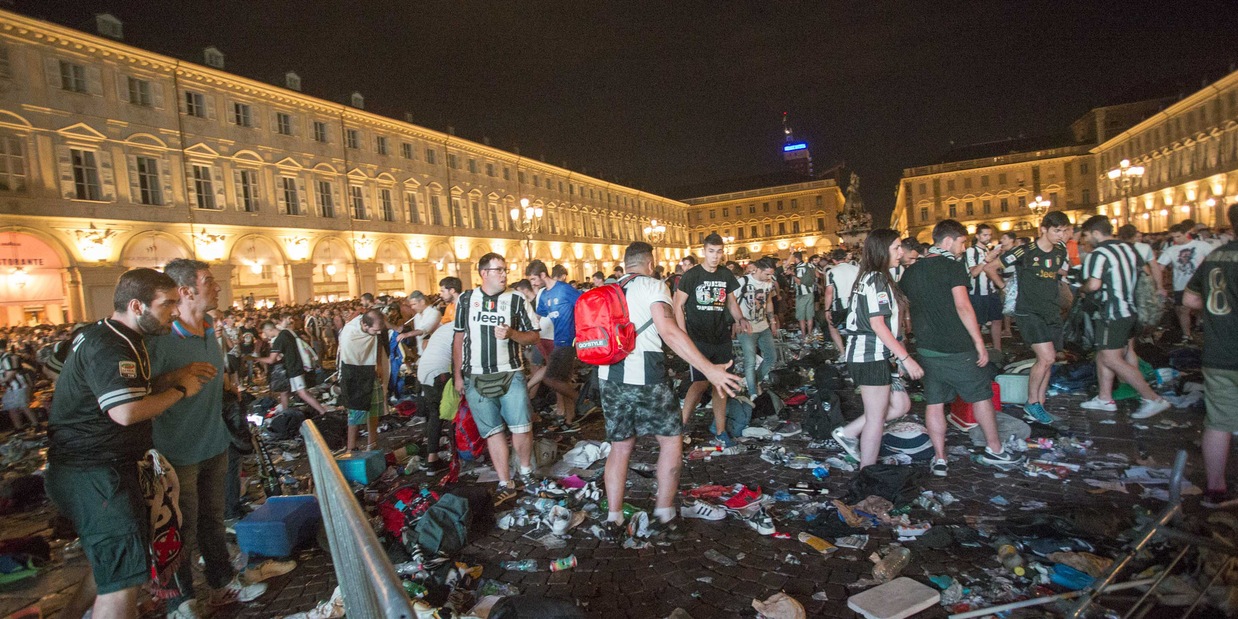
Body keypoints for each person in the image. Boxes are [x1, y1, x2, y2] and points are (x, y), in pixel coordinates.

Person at [46, 268, 216, 619]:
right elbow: (126, 412)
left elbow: (65, 372)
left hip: (93, 470)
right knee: (122, 583)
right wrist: (180, 389)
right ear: (137, 306)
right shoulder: (112, 345)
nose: (176, 309)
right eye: (167, 303)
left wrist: (169, 377)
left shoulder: (103, 334)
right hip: (96, 473)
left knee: (113, 564)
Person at [148, 260, 273, 616]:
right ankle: (181, 600)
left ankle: (221, 584)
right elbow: (139, 391)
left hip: (214, 442)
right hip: (176, 449)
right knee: (179, 530)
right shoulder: (161, 336)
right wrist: (179, 377)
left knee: (213, 522)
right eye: (209, 282)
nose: (217, 287)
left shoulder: (208, 327)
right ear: (186, 291)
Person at [597, 242, 743, 542]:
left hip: (608, 377)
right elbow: (669, 330)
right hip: (647, 375)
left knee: (620, 446)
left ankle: (612, 517)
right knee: (671, 441)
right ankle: (664, 513)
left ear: (626, 264)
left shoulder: (606, 290)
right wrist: (709, 368)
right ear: (650, 263)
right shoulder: (653, 286)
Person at [894, 220, 1022, 476]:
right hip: (958, 347)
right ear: (948, 241)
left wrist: (904, 344)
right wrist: (978, 342)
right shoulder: (952, 267)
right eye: (962, 242)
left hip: (927, 348)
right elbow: (964, 306)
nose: (963, 248)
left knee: (934, 402)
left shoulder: (910, 273)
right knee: (981, 396)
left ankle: (940, 458)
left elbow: (903, 310)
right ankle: (995, 449)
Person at [453, 253, 540, 505]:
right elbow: (458, 339)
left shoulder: (516, 299)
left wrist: (512, 334)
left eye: (505, 269)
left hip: (510, 371)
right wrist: (458, 375)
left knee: (521, 426)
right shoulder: (466, 300)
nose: (504, 274)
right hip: (476, 375)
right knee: (493, 431)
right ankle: (505, 481)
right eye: (499, 270)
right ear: (484, 273)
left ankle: (526, 472)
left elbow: (534, 336)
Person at [833, 230, 924, 469]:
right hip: (869, 354)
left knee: (901, 405)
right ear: (882, 250)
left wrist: (898, 356)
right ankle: (868, 471)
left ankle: (848, 433)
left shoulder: (874, 277)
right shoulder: (876, 279)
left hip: (879, 354)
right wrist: (906, 358)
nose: (900, 252)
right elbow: (878, 324)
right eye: (896, 247)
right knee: (875, 418)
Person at [1077, 216, 1172, 420]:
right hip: (1130, 310)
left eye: (1085, 235)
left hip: (1111, 312)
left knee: (1112, 357)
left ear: (1095, 232)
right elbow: (1144, 274)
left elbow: (1093, 285)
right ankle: (1105, 398)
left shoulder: (1099, 253)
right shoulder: (1130, 249)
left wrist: (1080, 289)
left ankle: (1152, 398)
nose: (1085, 240)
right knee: (1103, 354)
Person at [985, 211, 1073, 424]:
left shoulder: (1060, 250)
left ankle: (1039, 404)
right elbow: (991, 267)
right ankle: (1032, 403)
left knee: (1050, 360)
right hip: (1029, 312)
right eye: (1056, 230)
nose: (1060, 235)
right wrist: (1004, 287)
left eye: (1064, 231)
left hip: (1051, 311)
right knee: (1046, 357)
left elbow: (1058, 272)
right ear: (1043, 229)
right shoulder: (1025, 251)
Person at [1184, 203, 1238, 508]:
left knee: (1217, 422)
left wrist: (1220, 312)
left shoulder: (1214, 256)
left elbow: (1190, 298)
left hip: (1218, 352)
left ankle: (1215, 490)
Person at [675, 233, 749, 447]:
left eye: (719, 252)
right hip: (698, 338)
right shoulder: (692, 276)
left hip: (721, 338)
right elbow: (678, 305)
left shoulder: (725, 274)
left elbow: (731, 303)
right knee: (699, 383)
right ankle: (680, 427)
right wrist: (682, 334)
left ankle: (720, 430)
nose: (715, 256)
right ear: (704, 251)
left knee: (720, 384)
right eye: (711, 251)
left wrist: (740, 318)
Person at [525, 260, 584, 426]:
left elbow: (583, 305)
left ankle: (582, 401)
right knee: (562, 381)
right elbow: (539, 316)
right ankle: (570, 419)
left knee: (550, 379)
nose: (533, 283)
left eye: (533, 279)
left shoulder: (564, 289)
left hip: (569, 340)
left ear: (543, 275)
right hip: (557, 340)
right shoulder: (543, 294)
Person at [337, 309, 390, 452]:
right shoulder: (349, 334)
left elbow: (377, 341)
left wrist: (378, 364)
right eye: (376, 330)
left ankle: (372, 443)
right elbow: (350, 361)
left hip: (370, 370)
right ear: (365, 325)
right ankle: (351, 447)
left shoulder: (370, 324)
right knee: (356, 410)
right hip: (354, 373)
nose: (378, 333)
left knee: (374, 409)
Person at [262, 315, 332, 416]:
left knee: (302, 393)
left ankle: (322, 411)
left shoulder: (279, 340)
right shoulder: (286, 332)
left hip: (293, 368)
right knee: (285, 392)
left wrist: (253, 358)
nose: (266, 335)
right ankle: (286, 413)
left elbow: (271, 359)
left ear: (268, 330)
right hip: (295, 366)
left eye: (265, 333)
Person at [1158, 222, 1215, 344]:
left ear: (1186, 234)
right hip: (1180, 284)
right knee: (1182, 309)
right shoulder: (1171, 250)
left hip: (1199, 283)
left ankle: (1204, 327)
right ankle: (1186, 334)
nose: (1175, 239)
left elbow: (1213, 259)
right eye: (1173, 237)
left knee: (1203, 307)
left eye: (1178, 236)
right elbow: (1160, 266)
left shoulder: (1202, 246)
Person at [735, 257, 778, 396]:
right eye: (766, 273)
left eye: (771, 274)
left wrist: (772, 322)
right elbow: (731, 303)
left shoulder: (768, 283)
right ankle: (753, 393)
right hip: (747, 327)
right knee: (750, 361)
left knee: (771, 357)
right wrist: (737, 321)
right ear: (758, 269)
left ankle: (753, 381)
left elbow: (769, 301)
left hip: (763, 325)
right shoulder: (742, 282)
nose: (769, 277)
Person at [416, 324, 454, 475]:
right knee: (453, 412)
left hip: (424, 371)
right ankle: (459, 455)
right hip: (440, 372)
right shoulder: (465, 327)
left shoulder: (444, 328)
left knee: (435, 414)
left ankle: (432, 460)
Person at [965, 224, 1004, 354]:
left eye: (989, 235)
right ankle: (977, 350)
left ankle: (997, 349)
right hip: (977, 293)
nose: (988, 237)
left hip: (991, 290)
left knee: (997, 319)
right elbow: (974, 273)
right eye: (985, 235)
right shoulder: (971, 251)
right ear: (977, 236)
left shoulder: (988, 250)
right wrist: (987, 260)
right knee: (978, 323)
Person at [824, 249, 859, 354]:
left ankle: (843, 352)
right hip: (856, 303)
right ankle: (856, 349)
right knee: (856, 327)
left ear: (834, 260)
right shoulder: (857, 269)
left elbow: (829, 292)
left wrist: (826, 309)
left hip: (839, 305)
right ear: (845, 258)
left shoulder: (831, 272)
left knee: (832, 326)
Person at [0, 338, 38, 431]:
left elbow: (12, 371)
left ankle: (35, 424)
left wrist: (3, 380)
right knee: (12, 408)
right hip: (11, 387)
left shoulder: (7, 357)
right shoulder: (3, 358)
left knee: (22, 405)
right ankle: (19, 427)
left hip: (17, 386)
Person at [791, 251, 817, 341]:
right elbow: (817, 275)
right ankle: (810, 334)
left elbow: (798, 281)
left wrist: (792, 274)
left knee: (801, 316)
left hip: (801, 294)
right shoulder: (809, 265)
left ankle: (803, 334)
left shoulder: (799, 268)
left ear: (796, 258)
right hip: (810, 292)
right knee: (809, 315)